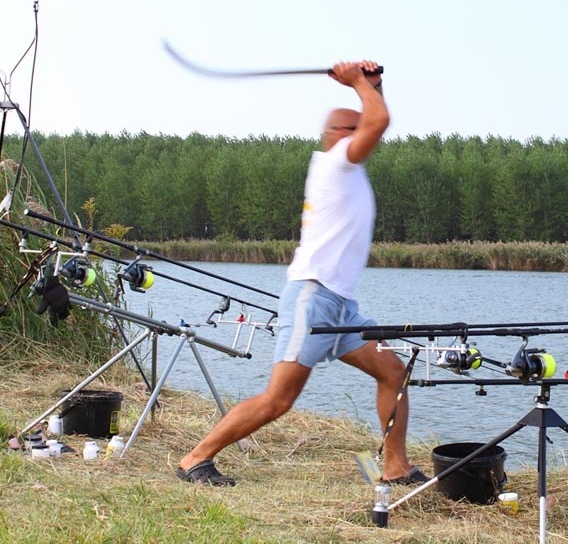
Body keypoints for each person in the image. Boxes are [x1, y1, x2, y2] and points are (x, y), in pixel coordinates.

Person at [176, 59, 427, 487]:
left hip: (342, 306)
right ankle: (195, 460)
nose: (365, 133)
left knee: (393, 372)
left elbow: (374, 117)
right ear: (337, 137)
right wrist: (354, 84)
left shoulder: (349, 168)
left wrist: (373, 84)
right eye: (354, 127)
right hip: (313, 297)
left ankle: (395, 466)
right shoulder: (336, 165)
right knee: (279, 399)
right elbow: (378, 121)